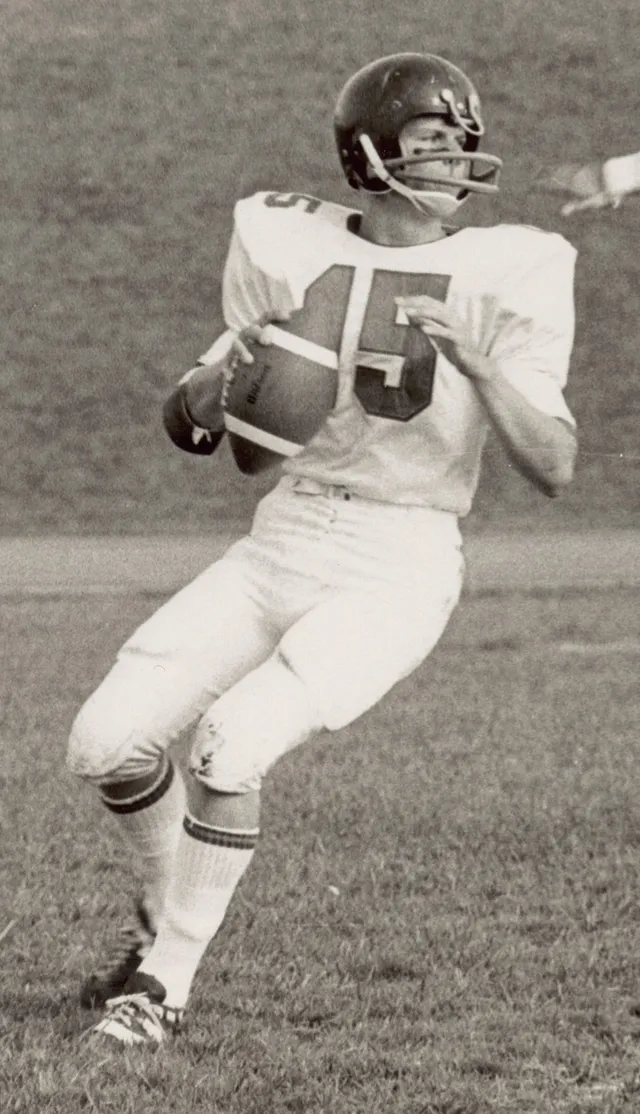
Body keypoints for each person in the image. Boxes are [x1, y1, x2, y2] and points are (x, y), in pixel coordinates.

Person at [67, 51, 578, 1047]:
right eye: (430, 144)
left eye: (459, 143)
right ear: (371, 156)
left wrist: (477, 358)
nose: (454, 163)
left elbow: (553, 462)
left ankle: (163, 984)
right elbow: (196, 424)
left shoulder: (513, 265)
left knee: (229, 742)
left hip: (399, 558)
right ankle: (163, 913)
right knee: (103, 743)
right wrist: (220, 391)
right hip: (285, 532)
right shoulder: (280, 239)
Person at [546, 151, 640, 214]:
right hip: (612, 186)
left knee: (576, 174)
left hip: (610, 165)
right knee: (606, 199)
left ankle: (552, 171)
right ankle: (573, 207)